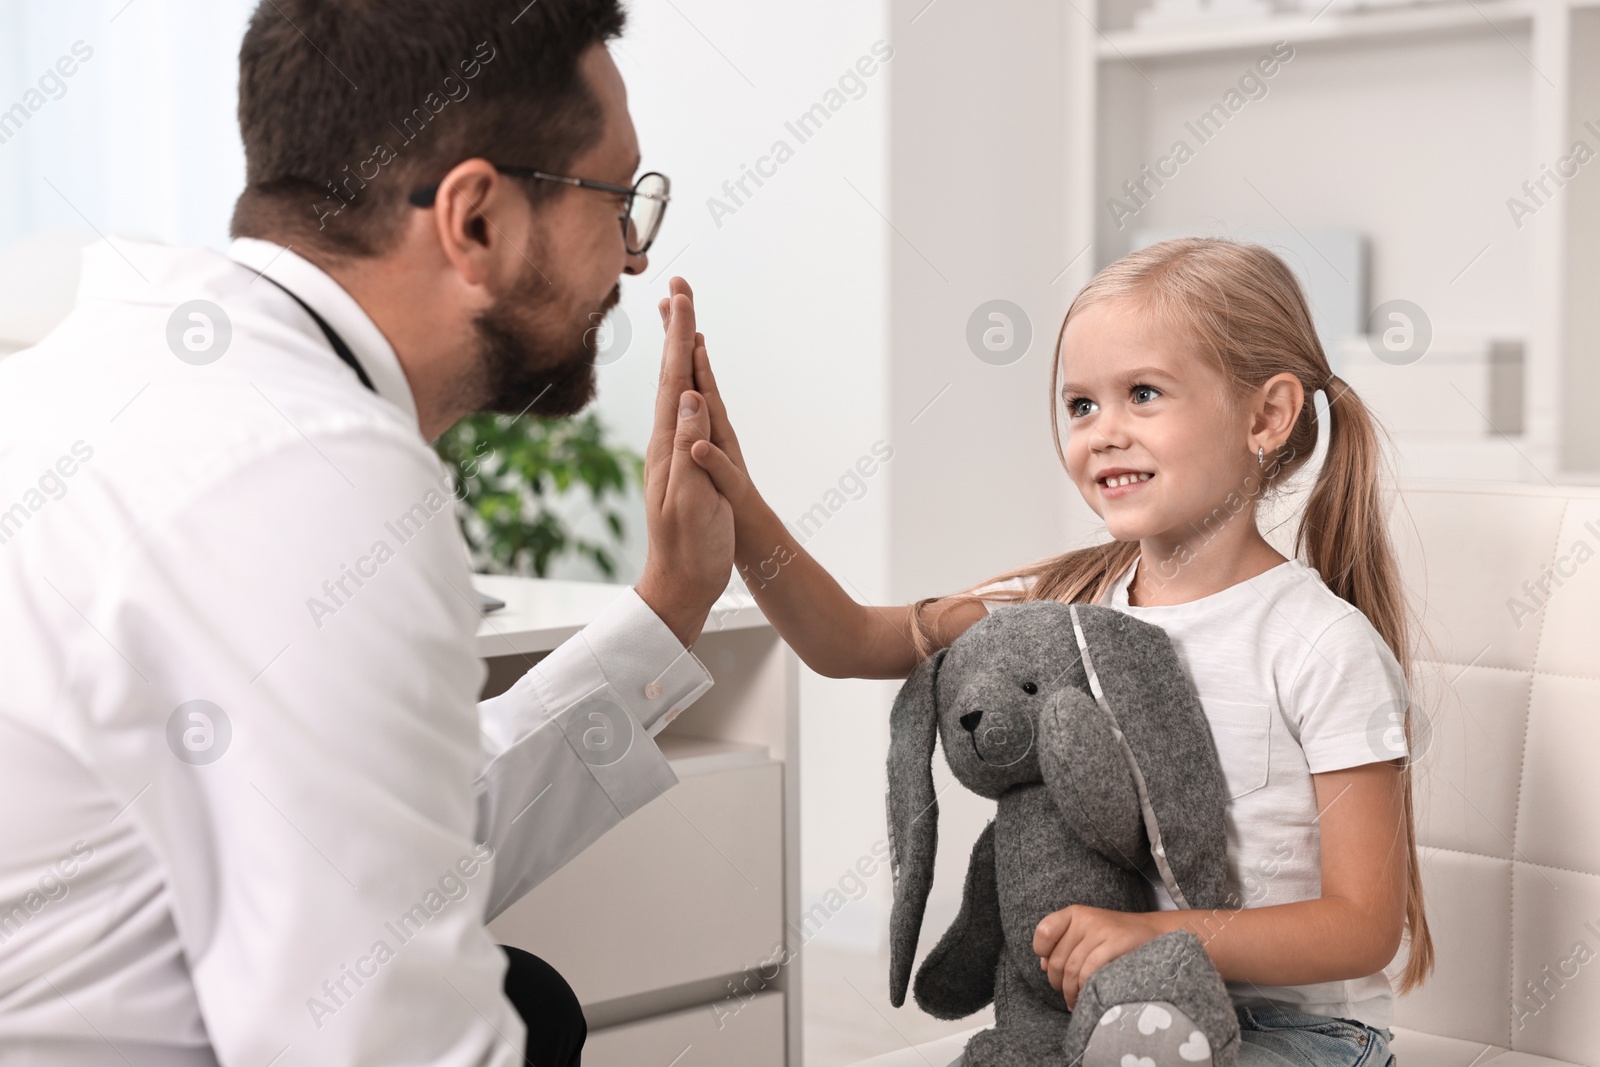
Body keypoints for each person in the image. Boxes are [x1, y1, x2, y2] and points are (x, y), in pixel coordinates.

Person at [0, 1, 730, 1064]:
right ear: (476, 220)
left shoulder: (123, 360)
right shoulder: (309, 472)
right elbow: (381, 1038)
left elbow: (369, 829)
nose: (628, 255)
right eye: (614, 198)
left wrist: (672, 604)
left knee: (534, 997)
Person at [684, 239, 1431, 1067]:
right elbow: (848, 639)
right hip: (1108, 1013)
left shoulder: (1321, 645)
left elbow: (1364, 926)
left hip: (1293, 1032)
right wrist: (738, 501)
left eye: (1142, 394)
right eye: (1080, 405)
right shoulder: (1067, 615)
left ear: (1267, 416)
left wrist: (1149, 935)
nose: (1102, 432)